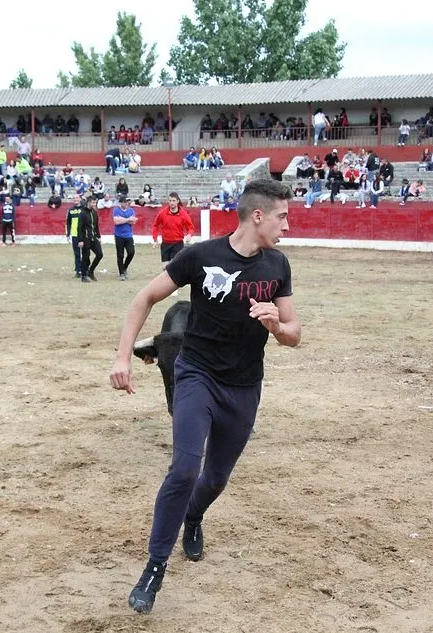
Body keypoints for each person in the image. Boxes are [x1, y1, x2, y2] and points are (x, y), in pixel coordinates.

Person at [109, 179, 301, 614]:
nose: (287, 226)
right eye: (282, 217)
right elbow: (145, 297)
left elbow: (294, 334)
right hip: (196, 374)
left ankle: (193, 517)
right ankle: (155, 567)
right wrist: (123, 357)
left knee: (214, 479)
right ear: (258, 216)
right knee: (183, 469)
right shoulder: (200, 256)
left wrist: (276, 325)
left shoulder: (278, 265)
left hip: (244, 385)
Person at [151, 193, 195, 269]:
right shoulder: (162, 213)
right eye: (170, 200)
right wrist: (155, 238)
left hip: (178, 244)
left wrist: (189, 235)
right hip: (165, 244)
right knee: (165, 268)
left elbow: (190, 227)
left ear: (177, 201)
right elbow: (155, 225)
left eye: (174, 200)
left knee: (174, 268)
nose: (172, 203)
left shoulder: (183, 214)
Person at [77, 196, 103, 282]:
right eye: (93, 203)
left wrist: (98, 236)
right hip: (85, 238)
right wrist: (80, 240)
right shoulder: (82, 213)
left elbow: (96, 226)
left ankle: (90, 271)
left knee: (100, 254)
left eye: (95, 202)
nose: (94, 204)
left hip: (93, 237)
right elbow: (79, 227)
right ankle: (84, 276)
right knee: (85, 256)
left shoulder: (94, 213)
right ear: (88, 202)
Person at [113, 195, 137, 281]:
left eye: (127, 202)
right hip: (119, 235)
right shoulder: (116, 210)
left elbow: (133, 221)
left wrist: (122, 219)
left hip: (128, 235)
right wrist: (127, 219)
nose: (126, 203)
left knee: (131, 252)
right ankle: (121, 273)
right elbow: (116, 222)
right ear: (121, 202)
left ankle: (124, 267)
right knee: (120, 255)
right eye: (124, 202)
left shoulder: (131, 210)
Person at [65, 199, 83, 278]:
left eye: (77, 198)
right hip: (75, 234)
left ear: (80, 199)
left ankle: (85, 269)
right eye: (74, 198)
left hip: (83, 235)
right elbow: (68, 222)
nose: (76, 199)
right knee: (77, 253)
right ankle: (78, 270)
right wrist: (68, 233)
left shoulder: (84, 209)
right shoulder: (71, 210)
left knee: (85, 253)